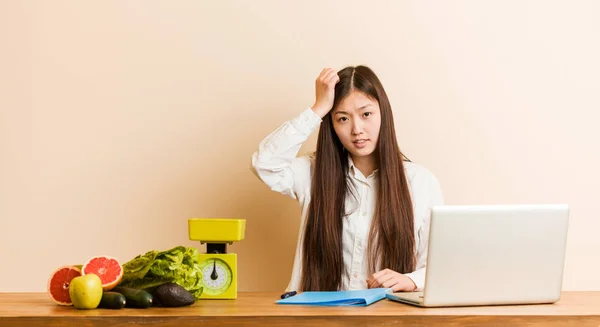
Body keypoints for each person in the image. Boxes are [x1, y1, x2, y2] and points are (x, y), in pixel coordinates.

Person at [251, 66, 444, 293]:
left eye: (366, 114)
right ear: (331, 124)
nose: (357, 129)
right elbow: (265, 164)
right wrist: (319, 108)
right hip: (316, 318)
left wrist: (410, 280)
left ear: (384, 114)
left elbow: (438, 264)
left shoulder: (419, 181)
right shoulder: (313, 173)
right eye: (342, 118)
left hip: (389, 318)